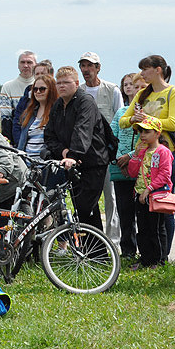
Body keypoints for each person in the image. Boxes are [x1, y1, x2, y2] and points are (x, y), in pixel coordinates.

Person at [121, 55, 175, 252]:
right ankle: (148, 254)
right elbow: (124, 120)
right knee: (145, 206)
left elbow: (173, 123)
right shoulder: (142, 95)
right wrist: (134, 120)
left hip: (165, 153)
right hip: (143, 155)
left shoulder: (173, 92)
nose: (142, 74)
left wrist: (146, 119)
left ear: (158, 70)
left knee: (163, 203)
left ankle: (164, 254)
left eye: (145, 69)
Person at [45, 66, 109, 229]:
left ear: (76, 83)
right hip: (71, 162)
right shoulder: (58, 105)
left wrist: (72, 155)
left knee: (85, 209)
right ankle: (90, 252)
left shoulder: (85, 101)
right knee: (83, 210)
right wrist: (64, 152)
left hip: (93, 163)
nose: (61, 86)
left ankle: (97, 252)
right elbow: (49, 135)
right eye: (58, 83)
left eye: (66, 82)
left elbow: (83, 130)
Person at [78, 52, 124, 242]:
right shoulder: (78, 91)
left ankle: (113, 240)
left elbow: (120, 118)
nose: (86, 70)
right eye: (83, 66)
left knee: (110, 196)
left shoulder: (112, 90)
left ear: (98, 68)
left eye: (90, 66)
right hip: (85, 155)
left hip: (107, 151)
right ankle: (91, 239)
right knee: (88, 198)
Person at [127, 117, 173, 269]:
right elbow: (132, 172)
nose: (143, 135)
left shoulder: (163, 152)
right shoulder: (143, 152)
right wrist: (136, 155)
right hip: (140, 196)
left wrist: (149, 189)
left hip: (155, 196)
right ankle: (145, 258)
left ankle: (159, 259)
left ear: (157, 133)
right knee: (143, 229)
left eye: (147, 132)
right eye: (141, 131)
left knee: (157, 229)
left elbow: (165, 174)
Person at [110, 74, 146, 261]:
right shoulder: (121, 113)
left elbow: (148, 141)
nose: (132, 88)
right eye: (128, 85)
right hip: (121, 169)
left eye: (137, 85)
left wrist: (130, 157)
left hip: (142, 169)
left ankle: (146, 251)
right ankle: (128, 251)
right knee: (124, 212)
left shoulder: (149, 113)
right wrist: (118, 160)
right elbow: (111, 137)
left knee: (143, 213)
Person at [16, 73, 57, 159]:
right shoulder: (29, 113)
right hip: (27, 165)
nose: (38, 92)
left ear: (51, 90)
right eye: (35, 89)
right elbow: (22, 142)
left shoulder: (57, 113)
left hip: (47, 165)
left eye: (42, 89)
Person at [0, 50, 37, 140]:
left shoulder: (41, 86)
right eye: (22, 62)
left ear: (36, 65)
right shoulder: (7, 87)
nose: (25, 65)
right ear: (18, 65)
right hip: (16, 135)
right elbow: (6, 118)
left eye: (29, 62)